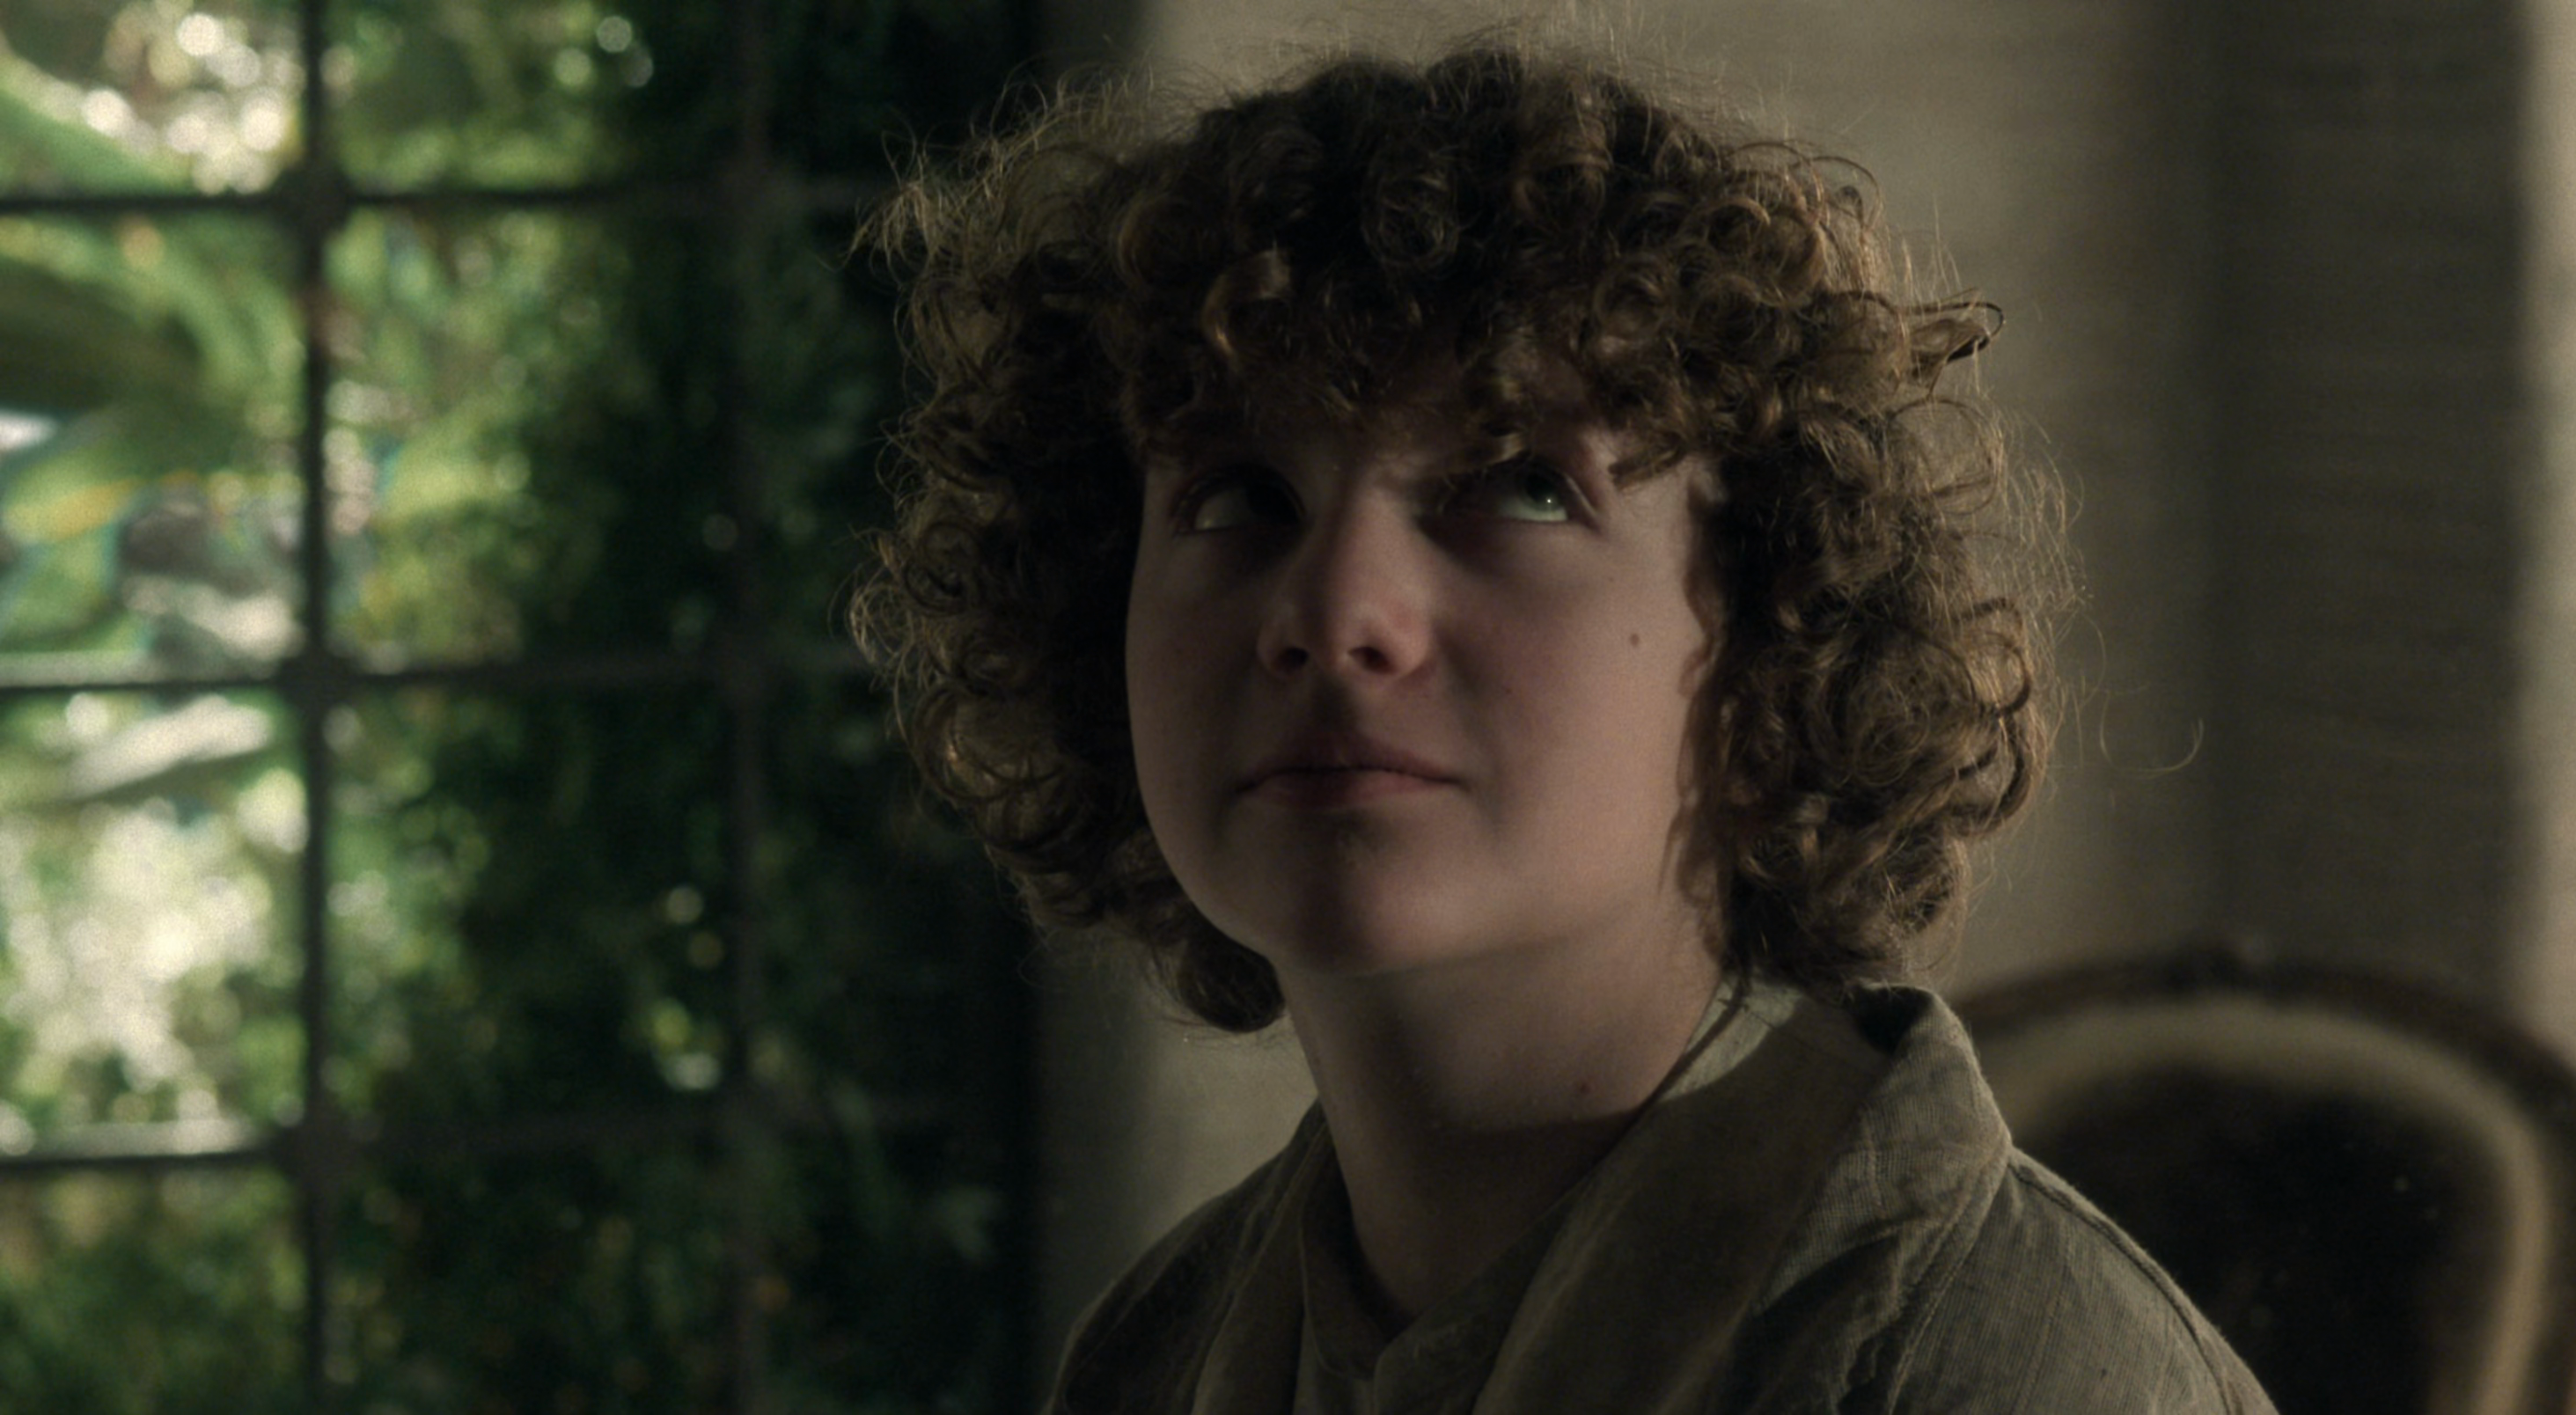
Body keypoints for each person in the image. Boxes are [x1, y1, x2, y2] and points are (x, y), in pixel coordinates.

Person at [854, 44, 2274, 1415]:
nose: (1334, 610)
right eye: (1238, 498)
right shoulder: (1153, 1357)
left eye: (1522, 486)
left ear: (1767, 636)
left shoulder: (2008, 1375)